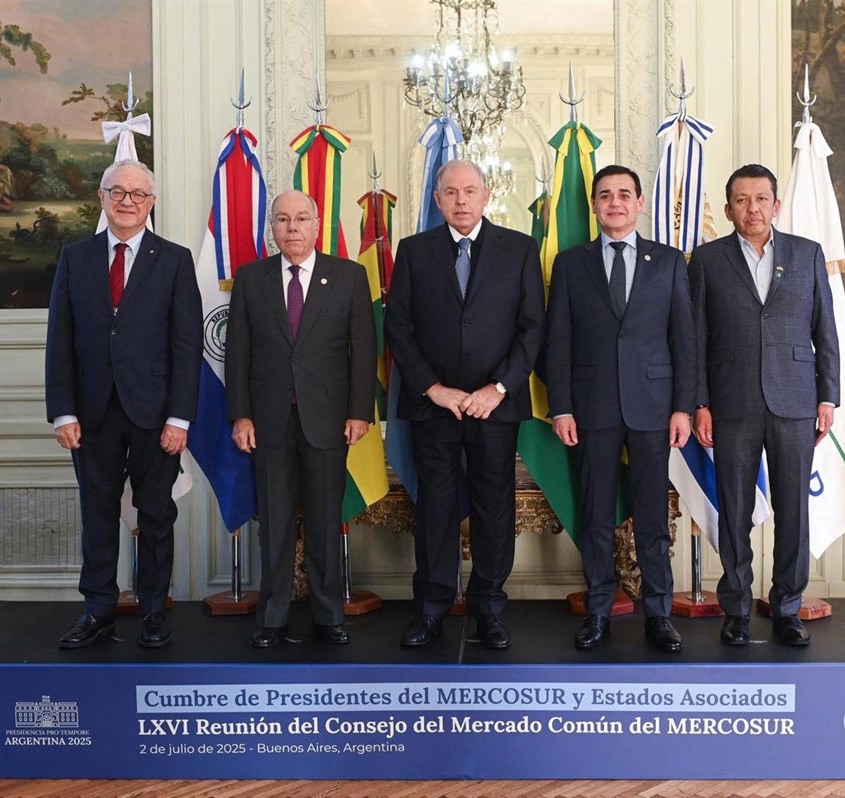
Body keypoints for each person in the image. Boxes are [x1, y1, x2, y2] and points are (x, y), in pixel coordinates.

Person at [385, 159, 545, 650]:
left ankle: (489, 610)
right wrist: (433, 388)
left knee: (493, 507)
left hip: (495, 406)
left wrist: (498, 388)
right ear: (437, 200)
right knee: (434, 507)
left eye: (470, 190)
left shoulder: (519, 249)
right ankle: (432, 609)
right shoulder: (413, 251)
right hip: (434, 405)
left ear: (486, 195)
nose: (461, 200)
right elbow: (399, 328)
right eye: (451, 192)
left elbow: (532, 328)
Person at [46, 159, 202, 650]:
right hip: (91, 414)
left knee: (156, 514)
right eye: (118, 192)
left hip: (157, 414)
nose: (128, 201)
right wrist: (63, 411)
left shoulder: (174, 260)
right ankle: (98, 611)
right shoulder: (75, 257)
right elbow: (60, 339)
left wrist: (180, 417)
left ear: (151, 203)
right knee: (97, 514)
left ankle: (154, 610)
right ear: (102, 198)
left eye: (138, 194)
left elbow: (186, 344)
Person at [543, 164, 695, 652]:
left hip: (654, 408)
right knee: (595, 515)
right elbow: (558, 341)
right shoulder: (571, 264)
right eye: (605, 195)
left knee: (652, 518)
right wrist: (561, 407)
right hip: (591, 408)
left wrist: (683, 408)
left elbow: (684, 340)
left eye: (624, 194)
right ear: (593, 205)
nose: (615, 202)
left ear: (640, 203)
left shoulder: (668, 262)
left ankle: (659, 614)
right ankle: (599, 611)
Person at [690, 163, 840, 648]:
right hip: (730, 402)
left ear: (775, 205)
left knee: (793, 509)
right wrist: (700, 403)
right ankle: (735, 609)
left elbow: (825, 330)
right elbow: (696, 339)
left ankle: (787, 607)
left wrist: (828, 396)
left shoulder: (806, 253)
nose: (751, 208)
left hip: (795, 401)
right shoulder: (707, 260)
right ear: (728, 208)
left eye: (760, 199)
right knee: (733, 509)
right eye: (741, 200)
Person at [225, 190, 376, 648]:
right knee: (274, 523)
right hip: (267, 421)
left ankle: (328, 615)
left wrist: (359, 412)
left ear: (317, 225)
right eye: (283, 219)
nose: (292, 227)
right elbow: (238, 353)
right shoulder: (251, 278)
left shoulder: (348, 276)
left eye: (301, 219)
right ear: (272, 227)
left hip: (328, 419)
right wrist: (240, 415)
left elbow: (363, 350)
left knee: (325, 520)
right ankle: (273, 617)